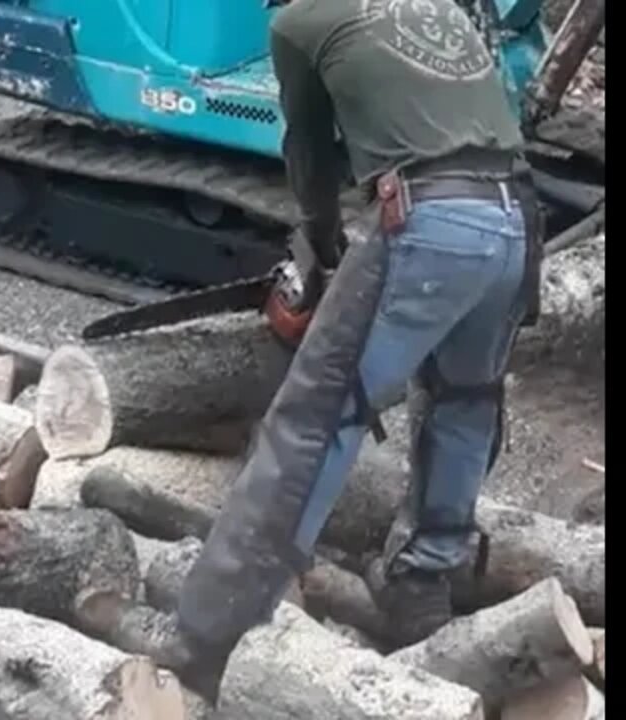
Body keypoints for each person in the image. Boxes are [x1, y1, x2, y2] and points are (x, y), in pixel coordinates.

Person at [174, 0, 542, 655]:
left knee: (316, 416)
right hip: (516, 218)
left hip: (428, 219)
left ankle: (212, 633)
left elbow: (309, 151)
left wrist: (321, 244)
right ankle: (421, 586)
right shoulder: (435, 6)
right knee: (464, 402)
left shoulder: (296, 23)